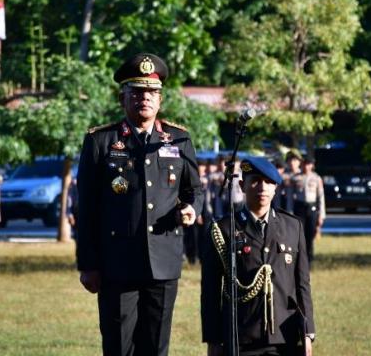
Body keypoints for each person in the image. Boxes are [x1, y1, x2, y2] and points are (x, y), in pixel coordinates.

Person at [76, 52, 203, 356]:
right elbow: (87, 208)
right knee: (119, 347)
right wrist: (88, 264)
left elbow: (195, 190)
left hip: (164, 260)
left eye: (151, 93)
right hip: (117, 264)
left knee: (156, 347)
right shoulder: (101, 142)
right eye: (137, 93)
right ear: (124, 98)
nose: (144, 99)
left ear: (160, 100)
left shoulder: (178, 140)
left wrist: (191, 209)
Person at [201, 157, 315, 356]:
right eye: (255, 180)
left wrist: (308, 333)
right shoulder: (224, 229)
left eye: (268, 182)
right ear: (242, 185)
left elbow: (302, 284)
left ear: (276, 188)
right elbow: (210, 291)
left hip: (284, 335)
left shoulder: (292, 227)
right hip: (240, 336)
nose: (262, 187)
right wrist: (213, 339)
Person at [287, 157, 325, 265]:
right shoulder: (295, 178)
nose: (307, 166)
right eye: (305, 164)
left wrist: (321, 214)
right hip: (299, 208)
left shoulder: (316, 178)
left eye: (309, 164)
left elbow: (321, 197)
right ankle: (299, 258)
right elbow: (290, 197)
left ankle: (309, 258)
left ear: (312, 165)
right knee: (299, 234)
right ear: (302, 165)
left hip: (312, 208)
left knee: (310, 233)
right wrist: (290, 211)